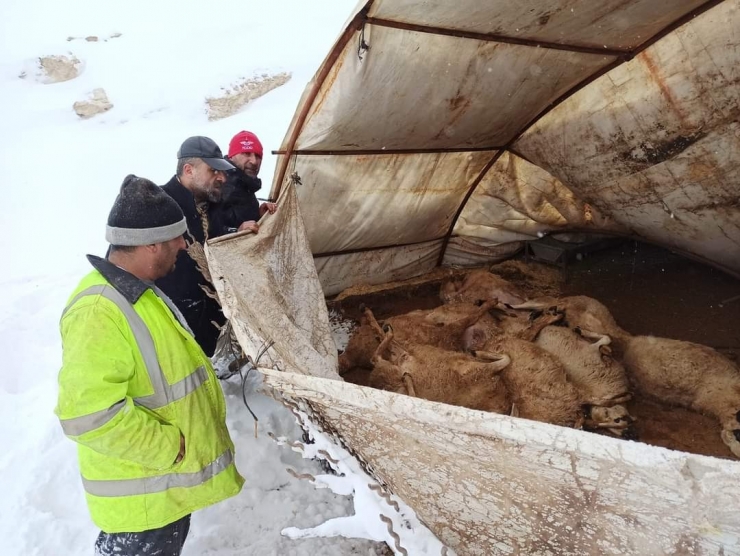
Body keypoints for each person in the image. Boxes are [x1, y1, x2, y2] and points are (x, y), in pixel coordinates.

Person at [55, 175, 244, 556]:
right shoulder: (99, 312)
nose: (182, 244)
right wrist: (169, 448)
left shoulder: (138, 292)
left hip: (158, 492)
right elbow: (88, 416)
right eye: (176, 237)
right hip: (142, 501)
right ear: (151, 243)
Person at [156, 136, 244, 356]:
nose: (222, 177)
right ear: (189, 170)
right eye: (213, 170)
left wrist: (238, 232)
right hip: (174, 329)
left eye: (222, 171)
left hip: (208, 327)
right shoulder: (158, 207)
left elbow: (215, 239)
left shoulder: (208, 204)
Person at [211, 130, 277, 235]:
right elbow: (206, 230)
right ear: (232, 156)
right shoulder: (218, 185)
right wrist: (236, 231)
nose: (254, 161)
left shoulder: (246, 185)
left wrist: (259, 216)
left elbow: (242, 221)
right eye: (246, 153)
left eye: (258, 156)